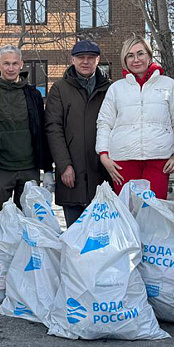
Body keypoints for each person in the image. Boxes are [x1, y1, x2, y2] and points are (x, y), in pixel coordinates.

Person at [96, 35, 174, 199]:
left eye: (140, 54)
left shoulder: (168, 85)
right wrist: (104, 156)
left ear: (149, 56)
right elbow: (104, 123)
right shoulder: (116, 88)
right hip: (123, 161)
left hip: (159, 159)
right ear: (125, 60)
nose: (136, 59)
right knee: (128, 209)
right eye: (130, 55)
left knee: (154, 208)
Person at [0, 45, 53, 217]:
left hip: (29, 169)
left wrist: (47, 169)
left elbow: (42, 133)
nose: (11, 68)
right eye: (6, 63)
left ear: (21, 64)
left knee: (29, 224)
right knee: (0, 223)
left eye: (15, 63)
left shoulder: (33, 95)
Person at [45, 40, 112, 226]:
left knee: (102, 235)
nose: (85, 61)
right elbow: (53, 128)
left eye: (91, 57)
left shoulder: (109, 89)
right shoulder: (60, 88)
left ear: (98, 60)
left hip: (102, 173)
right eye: (81, 57)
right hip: (72, 174)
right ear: (72, 60)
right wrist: (64, 165)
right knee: (75, 234)